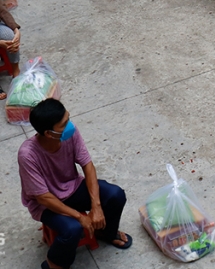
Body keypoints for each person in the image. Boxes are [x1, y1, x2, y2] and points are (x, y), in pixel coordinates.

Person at [20, 98, 132, 269]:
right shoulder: (27, 155)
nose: (70, 125)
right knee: (73, 229)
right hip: (46, 204)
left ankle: (106, 232)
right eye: (64, 124)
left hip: (72, 186)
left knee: (115, 195)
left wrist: (96, 206)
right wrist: (80, 217)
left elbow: (87, 165)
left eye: (68, 118)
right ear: (49, 133)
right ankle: (54, 263)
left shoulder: (69, 133)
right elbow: (43, 198)